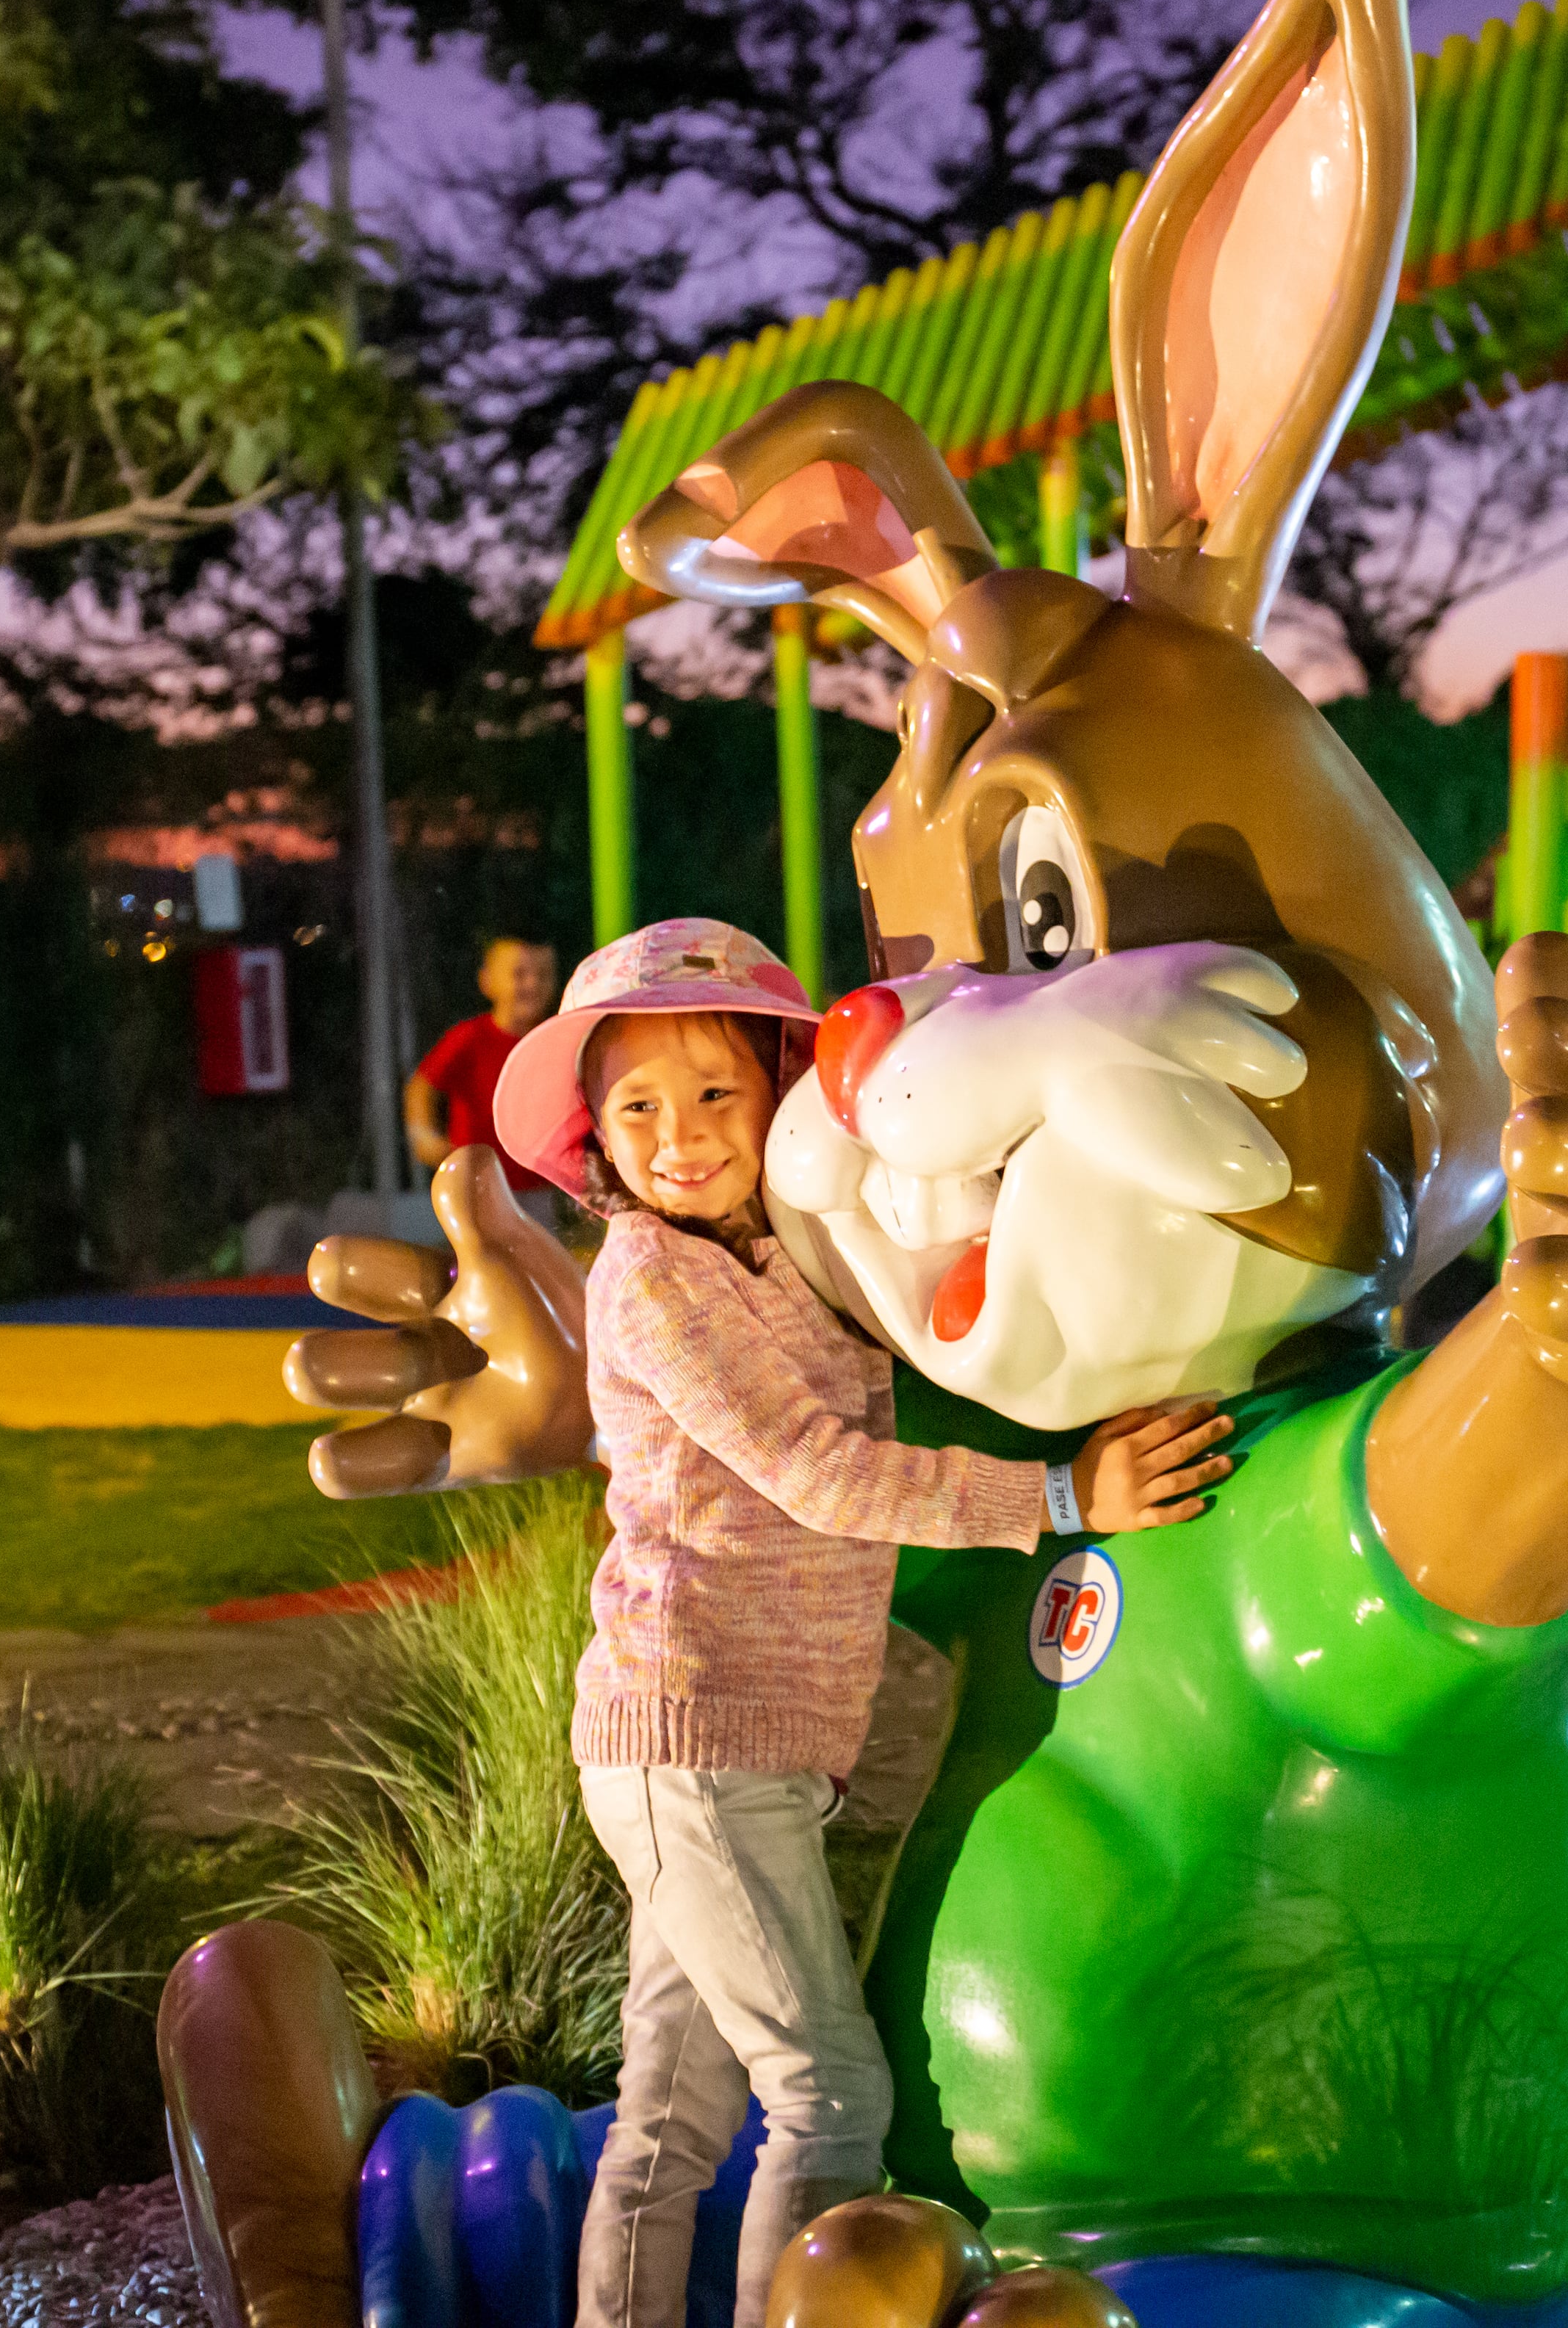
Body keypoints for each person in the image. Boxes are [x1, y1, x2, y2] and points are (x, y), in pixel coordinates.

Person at [487, 917, 1233, 2328]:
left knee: (671, 2108)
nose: (683, 1135)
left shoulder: (780, 1264)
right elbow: (824, 1474)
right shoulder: (652, 1278)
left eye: (718, 1093)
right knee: (830, 2092)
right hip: (691, 1738)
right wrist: (1069, 1491)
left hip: (742, 1742)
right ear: (594, 1133)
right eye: (639, 1106)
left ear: (777, 1092)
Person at [405, 935, 559, 1198]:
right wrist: (425, 1136)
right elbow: (422, 1086)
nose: (532, 984)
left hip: (539, 1186)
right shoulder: (469, 1037)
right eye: (519, 974)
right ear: (487, 982)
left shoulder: (555, 1038)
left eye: (543, 975)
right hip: (475, 1185)